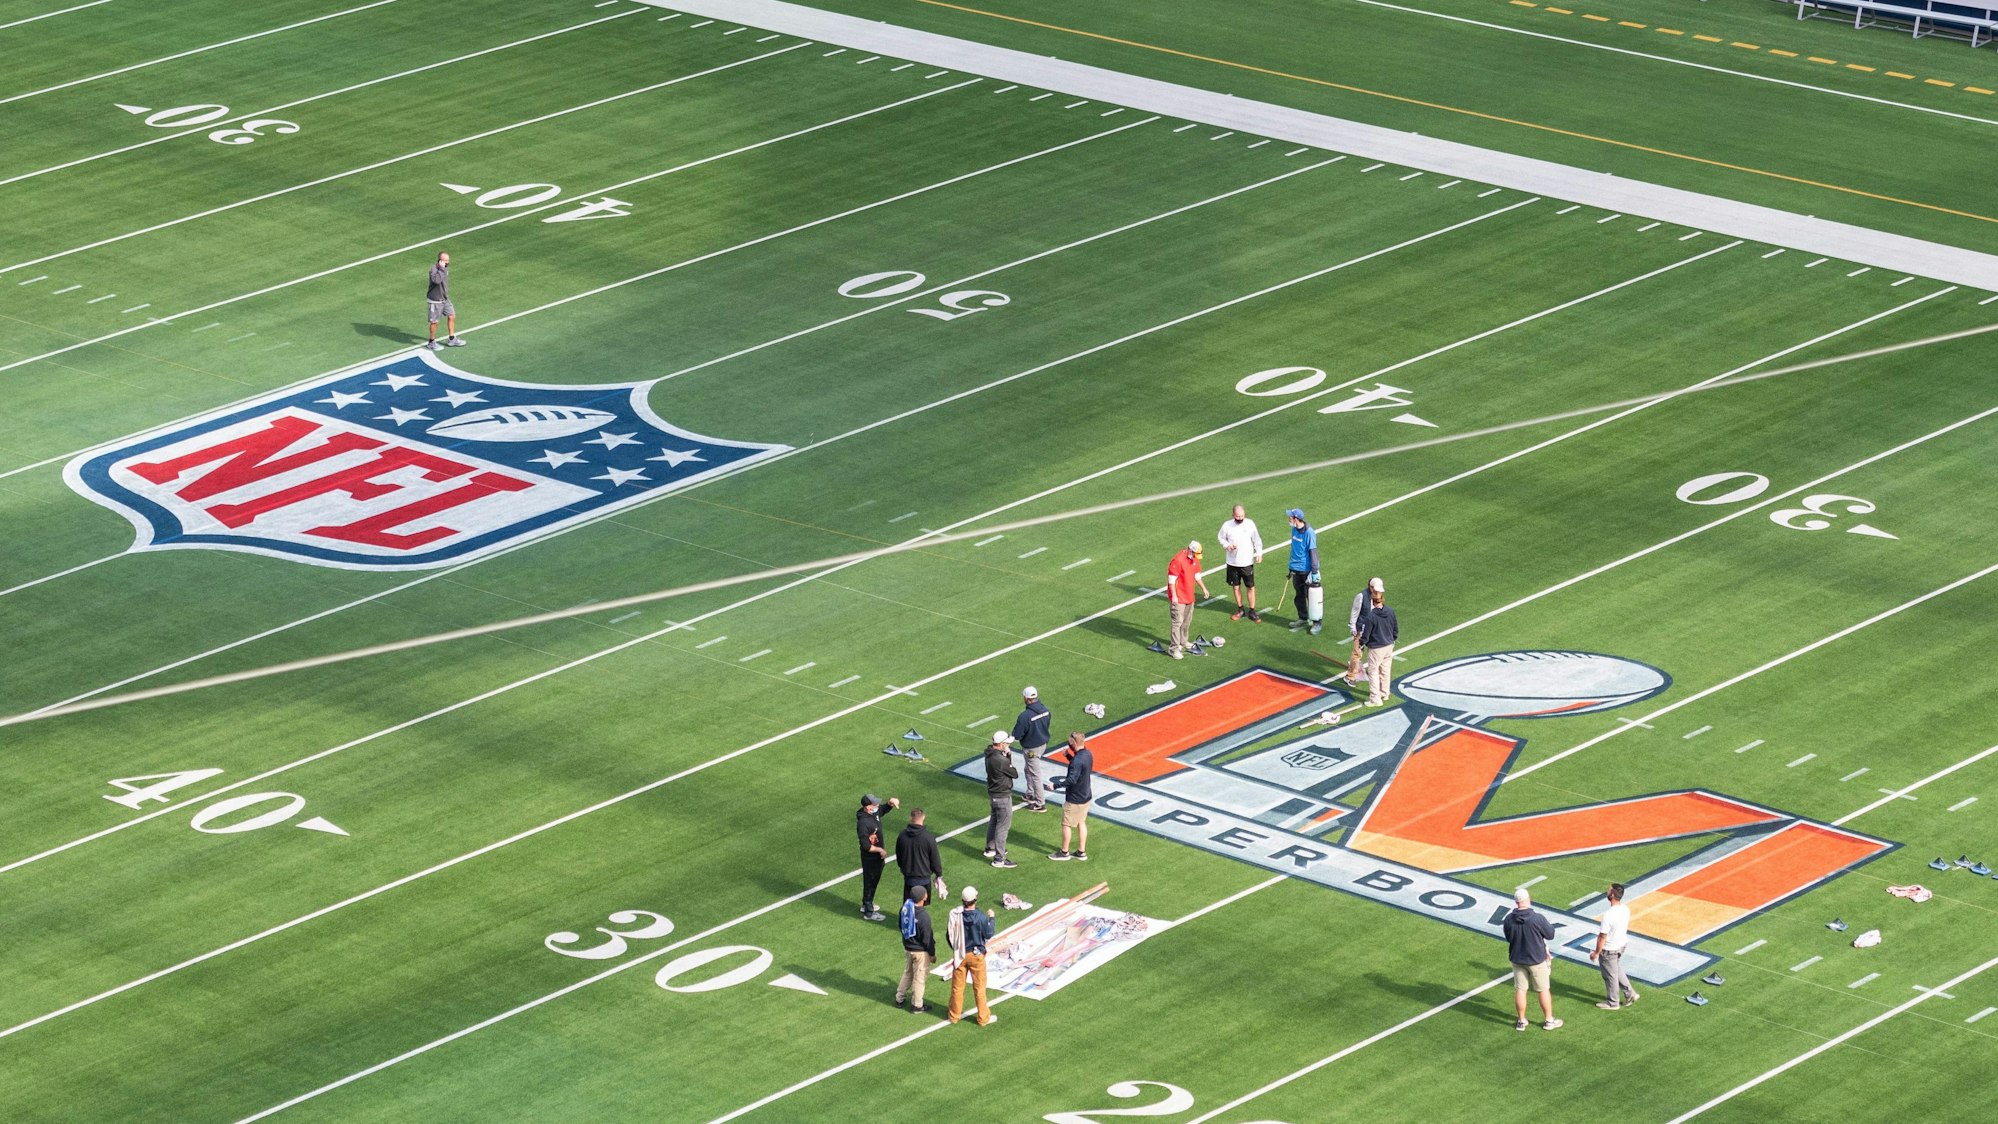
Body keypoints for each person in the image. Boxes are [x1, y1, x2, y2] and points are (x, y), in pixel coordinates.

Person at [1503, 889, 1562, 1031]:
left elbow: (1509, 938)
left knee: (1520, 990)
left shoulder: (1509, 919)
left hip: (1517, 959)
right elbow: (1550, 934)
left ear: (1516, 902)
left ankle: (1521, 1021)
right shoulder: (1537, 918)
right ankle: (1549, 1020)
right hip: (1536, 960)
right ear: (1528, 899)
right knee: (1543, 990)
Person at [947, 884, 998, 1026]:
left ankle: (954, 1016)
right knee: (979, 988)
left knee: (957, 988)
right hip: (976, 956)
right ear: (975, 899)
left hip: (960, 955)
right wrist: (992, 918)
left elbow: (949, 935)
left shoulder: (956, 915)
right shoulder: (981, 916)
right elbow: (989, 933)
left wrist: (956, 950)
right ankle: (983, 1018)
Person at [1588, 882, 1639, 1009]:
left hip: (1610, 949)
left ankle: (1613, 1002)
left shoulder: (1608, 915)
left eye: (1608, 890)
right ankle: (1630, 994)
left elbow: (1602, 936)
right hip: (1621, 944)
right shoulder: (1625, 909)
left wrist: (1596, 953)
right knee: (1616, 970)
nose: (1607, 891)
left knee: (1610, 976)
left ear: (1612, 895)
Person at [855, 793, 900, 921]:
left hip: (876, 858)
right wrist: (880, 850)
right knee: (870, 882)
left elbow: (882, 810)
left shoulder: (873, 813)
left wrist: (890, 803)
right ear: (868, 807)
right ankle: (869, 912)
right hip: (871, 859)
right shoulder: (863, 823)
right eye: (875, 804)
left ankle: (866, 904)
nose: (877, 805)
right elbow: (866, 845)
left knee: (872, 881)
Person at [1048, 731, 1093, 861]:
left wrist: (1055, 786)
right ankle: (1081, 852)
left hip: (1075, 798)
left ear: (1074, 742)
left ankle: (1064, 852)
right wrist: (1068, 756)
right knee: (1081, 822)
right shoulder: (1088, 754)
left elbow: (1072, 779)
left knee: (1066, 824)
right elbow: (1079, 768)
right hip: (1085, 795)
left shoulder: (1077, 761)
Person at [1217, 504, 1263, 623]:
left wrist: (1259, 553)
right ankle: (1240, 609)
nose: (1240, 518)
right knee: (1236, 586)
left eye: (1242, 516)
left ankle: (1252, 611)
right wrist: (1227, 545)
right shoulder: (1227, 525)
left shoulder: (1250, 524)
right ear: (1233, 515)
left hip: (1246, 562)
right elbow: (1221, 537)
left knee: (1250, 586)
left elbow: (1257, 539)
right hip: (1232, 562)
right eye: (1237, 516)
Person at [1164, 540, 1210, 660]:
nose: (1196, 557)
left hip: (1189, 596)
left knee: (1186, 621)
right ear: (1190, 550)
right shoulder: (1178, 560)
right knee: (1177, 622)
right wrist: (1174, 596)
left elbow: (1197, 575)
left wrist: (1204, 588)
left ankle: (1183, 642)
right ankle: (1173, 649)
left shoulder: (1194, 559)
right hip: (1179, 597)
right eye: (1195, 554)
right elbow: (1171, 580)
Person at [895, 884, 937, 1013]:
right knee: (919, 978)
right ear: (924, 897)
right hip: (920, 952)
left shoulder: (904, 909)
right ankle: (917, 1005)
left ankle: (899, 998)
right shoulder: (923, 916)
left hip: (908, 947)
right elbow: (927, 939)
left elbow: (900, 925)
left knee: (908, 973)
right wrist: (932, 954)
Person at [1011, 686, 1052, 813]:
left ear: (1026, 698)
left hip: (1031, 749)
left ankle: (1040, 803)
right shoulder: (1046, 710)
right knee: (1029, 769)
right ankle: (1030, 793)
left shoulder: (1025, 716)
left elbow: (1017, 735)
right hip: (1042, 744)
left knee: (1035, 774)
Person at [983, 732, 1019, 868]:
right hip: (1002, 796)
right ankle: (999, 859)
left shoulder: (989, 754)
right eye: (1007, 743)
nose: (1008, 745)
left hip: (993, 793)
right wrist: (1008, 756)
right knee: (1003, 827)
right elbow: (1014, 773)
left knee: (994, 821)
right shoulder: (1001, 760)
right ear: (1001, 744)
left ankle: (990, 848)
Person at [895, 807, 944, 904]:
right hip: (924, 878)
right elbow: (935, 859)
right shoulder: (928, 837)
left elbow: (899, 855)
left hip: (909, 878)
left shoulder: (902, 835)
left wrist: (903, 868)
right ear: (923, 817)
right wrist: (938, 874)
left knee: (909, 904)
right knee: (921, 906)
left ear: (911, 818)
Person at [1360, 583, 1399, 707]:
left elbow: (1366, 634)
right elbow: (1395, 629)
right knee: (1385, 670)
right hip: (1389, 645)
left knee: (1373, 672)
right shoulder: (1390, 611)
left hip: (1376, 648)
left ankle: (1375, 699)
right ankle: (1385, 693)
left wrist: (1361, 643)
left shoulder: (1371, 616)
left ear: (1372, 601)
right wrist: (1392, 639)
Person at [1285, 510, 1321, 634]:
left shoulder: (1309, 533)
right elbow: (1294, 550)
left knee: (1312, 598)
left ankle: (1317, 622)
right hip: (1296, 570)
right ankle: (1303, 618)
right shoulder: (1294, 530)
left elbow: (1313, 552)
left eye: (1290, 517)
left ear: (1296, 519)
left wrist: (1314, 571)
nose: (1289, 518)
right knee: (1299, 596)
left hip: (1306, 571)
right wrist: (1291, 567)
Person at [426, 251, 465, 349]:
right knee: (434, 322)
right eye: (445, 260)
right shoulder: (434, 269)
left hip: (444, 299)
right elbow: (436, 280)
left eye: (448, 260)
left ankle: (452, 339)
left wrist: (443, 268)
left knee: (452, 315)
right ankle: (431, 342)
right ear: (440, 261)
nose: (448, 262)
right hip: (435, 300)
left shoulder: (444, 268)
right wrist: (442, 269)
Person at [1346, 577, 1380, 687]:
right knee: (1357, 653)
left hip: (1372, 628)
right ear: (1370, 587)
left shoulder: (1378, 596)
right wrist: (1353, 626)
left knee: (1373, 651)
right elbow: (1354, 612)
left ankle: (1368, 670)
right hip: (1361, 629)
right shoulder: (1361, 596)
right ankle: (1350, 676)